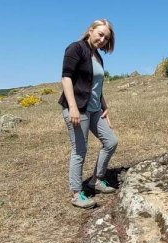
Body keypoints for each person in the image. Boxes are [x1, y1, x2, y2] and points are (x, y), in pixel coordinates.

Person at [59, 19, 118, 208]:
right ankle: (77, 194)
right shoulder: (76, 48)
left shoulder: (98, 56)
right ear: (91, 30)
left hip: (94, 110)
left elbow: (96, 86)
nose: (102, 39)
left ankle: (96, 180)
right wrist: (73, 107)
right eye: (100, 34)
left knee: (111, 142)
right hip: (78, 109)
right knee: (79, 151)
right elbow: (66, 78)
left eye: (106, 38)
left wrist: (104, 106)